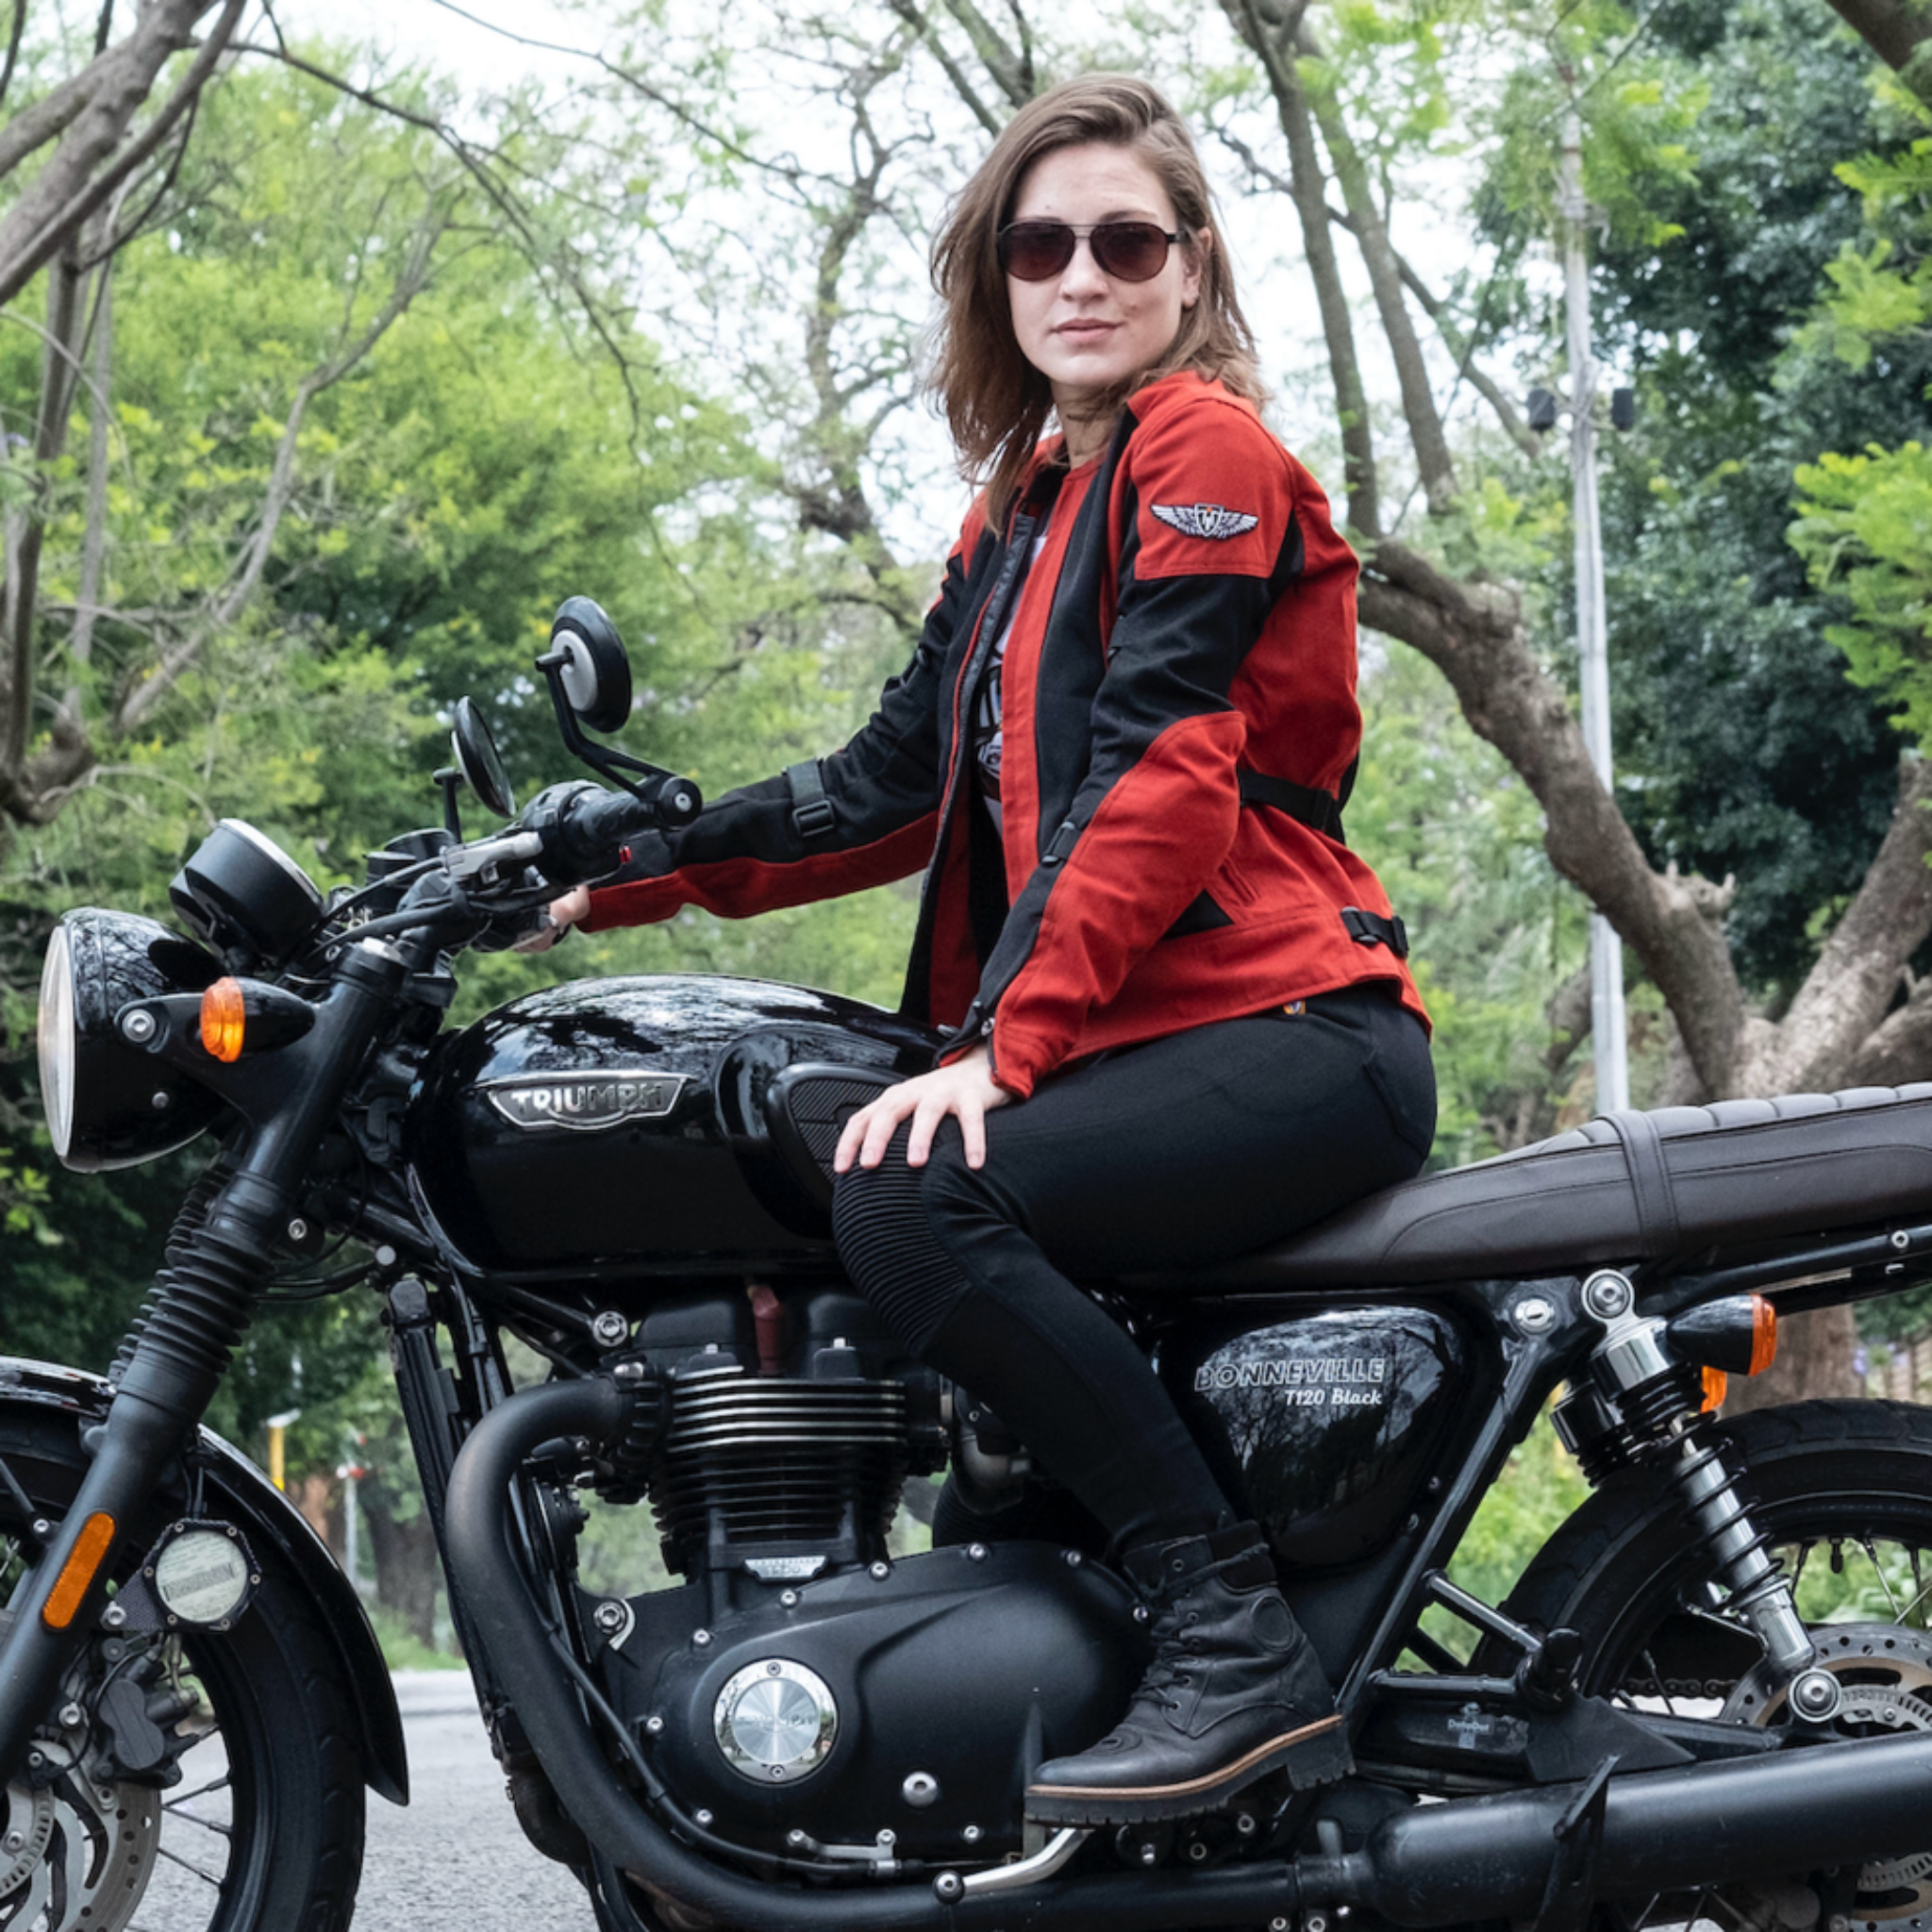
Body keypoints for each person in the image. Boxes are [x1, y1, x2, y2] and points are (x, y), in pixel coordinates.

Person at [541, 73, 1435, 1827]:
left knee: (910, 1191)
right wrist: (611, 870)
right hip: (1146, 1044)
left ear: (1189, 267)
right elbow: (884, 786)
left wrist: (998, 1047)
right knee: (871, 1228)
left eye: (1125, 239)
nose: (1081, 275)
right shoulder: (1022, 508)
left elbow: (1164, 768)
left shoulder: (1202, 451)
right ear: (999, 279)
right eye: (1043, 243)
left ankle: (1227, 1636)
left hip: (1298, 1028)